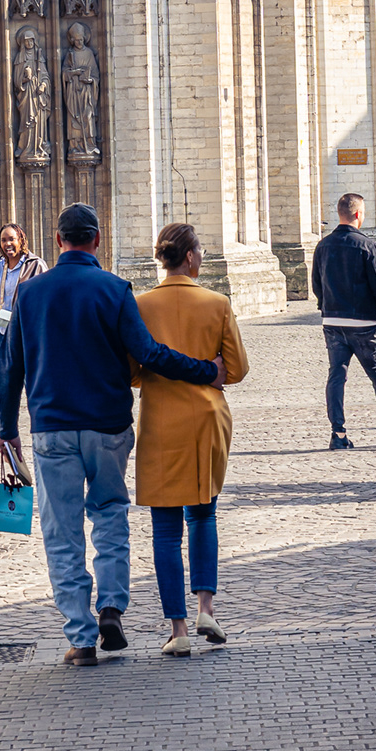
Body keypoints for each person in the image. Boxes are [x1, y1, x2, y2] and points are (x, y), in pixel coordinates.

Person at [0, 202, 221, 666]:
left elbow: (8, 368)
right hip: (108, 426)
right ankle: (111, 608)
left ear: (58, 241)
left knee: (62, 533)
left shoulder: (30, 294)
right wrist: (203, 370)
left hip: (52, 429)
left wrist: (6, 429)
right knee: (110, 516)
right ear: (96, 240)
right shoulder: (115, 289)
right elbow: (149, 353)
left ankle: (79, 638)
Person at [132, 221, 248, 654]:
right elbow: (236, 370)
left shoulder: (141, 306)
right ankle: (207, 609)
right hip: (205, 419)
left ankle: (178, 631)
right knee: (203, 515)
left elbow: (132, 371)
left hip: (161, 419)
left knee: (164, 531)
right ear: (192, 257)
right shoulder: (216, 303)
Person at [310, 191, 376, 451]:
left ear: (339, 214)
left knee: (336, 375)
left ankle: (338, 433)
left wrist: (325, 306)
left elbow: (317, 283)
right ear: (359, 215)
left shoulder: (322, 245)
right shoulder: (366, 245)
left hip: (333, 321)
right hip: (363, 323)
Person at [0, 221, 43, 449]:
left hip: (27, 334)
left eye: (11, 239)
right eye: (3, 240)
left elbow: (44, 298)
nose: (7, 244)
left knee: (33, 382)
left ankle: (40, 430)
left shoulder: (35, 265)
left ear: (21, 240)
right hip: (3, 333)